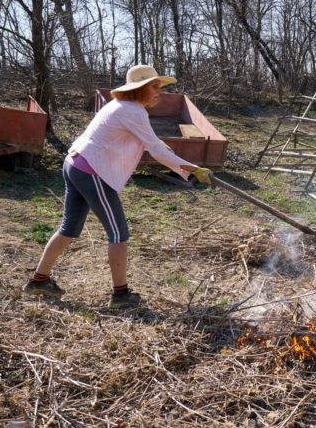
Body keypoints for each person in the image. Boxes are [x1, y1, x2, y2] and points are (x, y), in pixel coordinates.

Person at [22, 64, 212, 308]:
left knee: (69, 228)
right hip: (91, 171)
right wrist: (193, 169)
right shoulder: (133, 110)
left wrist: (168, 153)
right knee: (118, 233)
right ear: (139, 88)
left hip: (75, 164)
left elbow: (150, 142)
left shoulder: (121, 106)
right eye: (155, 86)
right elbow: (156, 150)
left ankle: (39, 281)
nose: (160, 92)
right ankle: (121, 295)